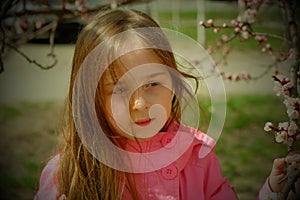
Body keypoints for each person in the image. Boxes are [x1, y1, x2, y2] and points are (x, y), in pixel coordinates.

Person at [34, 9, 298, 200]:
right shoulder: (70, 171)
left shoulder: (197, 157)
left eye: (152, 84)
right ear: (91, 99)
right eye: (119, 89)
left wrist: (273, 193)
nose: (139, 104)